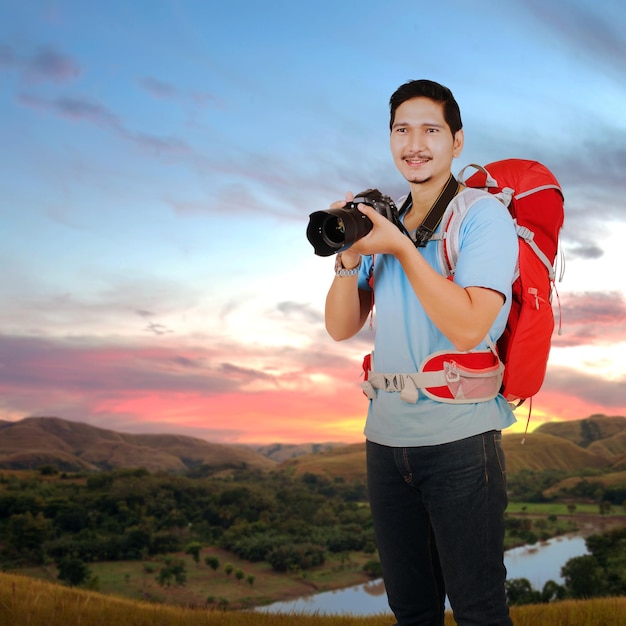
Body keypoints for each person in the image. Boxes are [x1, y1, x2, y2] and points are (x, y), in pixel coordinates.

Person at [324, 79, 518, 625]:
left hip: (460, 441)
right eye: (401, 130)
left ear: (456, 141)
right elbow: (341, 327)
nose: (415, 142)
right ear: (389, 139)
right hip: (384, 442)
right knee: (411, 611)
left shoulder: (481, 216)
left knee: (479, 610)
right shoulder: (383, 223)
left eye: (431, 130)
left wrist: (402, 249)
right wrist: (346, 256)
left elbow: (469, 326)